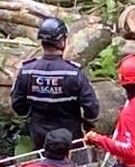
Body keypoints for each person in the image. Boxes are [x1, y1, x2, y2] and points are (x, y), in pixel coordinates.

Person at [11, 17, 101, 150]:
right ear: (62, 40)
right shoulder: (73, 73)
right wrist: (88, 123)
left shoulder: (26, 71)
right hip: (71, 135)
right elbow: (91, 106)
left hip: (40, 135)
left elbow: (18, 104)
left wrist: (33, 115)